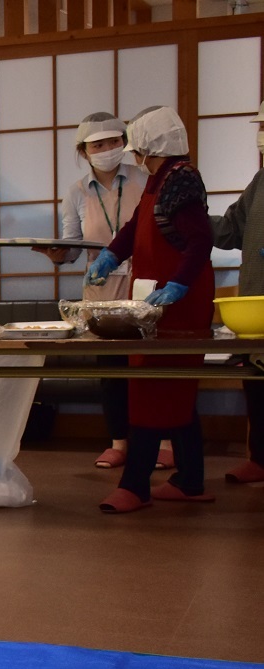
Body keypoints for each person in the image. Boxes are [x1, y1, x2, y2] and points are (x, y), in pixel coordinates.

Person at [87, 106, 216, 512]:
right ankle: (190, 480)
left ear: (148, 145)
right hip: (159, 298)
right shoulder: (159, 181)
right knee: (176, 388)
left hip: (179, 302)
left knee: (149, 386)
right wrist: (109, 255)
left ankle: (136, 485)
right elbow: (133, 229)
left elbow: (200, 240)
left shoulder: (180, 181)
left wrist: (178, 284)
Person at [38, 112, 158, 470]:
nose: (107, 150)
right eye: (98, 145)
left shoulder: (145, 177)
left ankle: (161, 440)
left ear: (125, 143)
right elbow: (73, 246)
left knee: (153, 361)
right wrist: (59, 255)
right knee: (110, 366)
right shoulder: (76, 191)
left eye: (114, 142)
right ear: (84, 150)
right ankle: (118, 442)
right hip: (101, 286)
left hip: (144, 281)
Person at [209, 100, 264, 486]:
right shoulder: (260, 181)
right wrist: (189, 217)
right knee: (257, 382)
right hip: (255, 304)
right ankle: (260, 458)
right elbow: (230, 229)